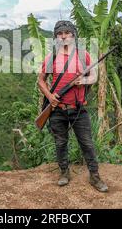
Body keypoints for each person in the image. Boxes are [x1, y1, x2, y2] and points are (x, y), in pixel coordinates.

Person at [37, 20, 108, 192]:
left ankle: (95, 177)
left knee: (87, 144)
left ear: (73, 35)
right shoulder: (51, 58)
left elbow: (93, 78)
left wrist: (81, 80)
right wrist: (50, 97)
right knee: (60, 143)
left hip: (78, 109)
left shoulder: (84, 56)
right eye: (60, 34)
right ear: (56, 37)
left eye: (67, 33)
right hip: (57, 110)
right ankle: (64, 173)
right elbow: (41, 81)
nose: (63, 37)